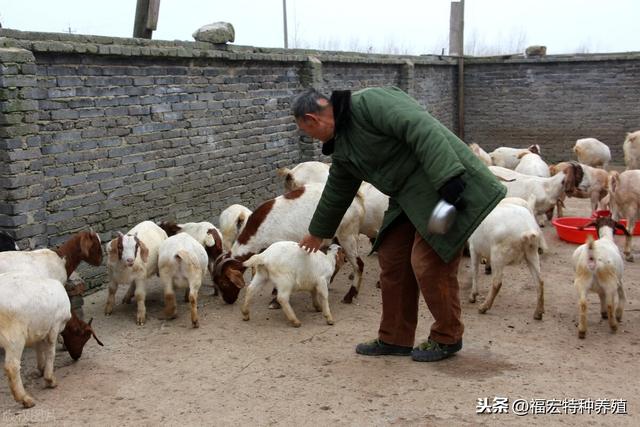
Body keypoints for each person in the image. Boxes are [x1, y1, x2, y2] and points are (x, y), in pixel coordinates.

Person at [292, 86, 506, 362]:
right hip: (407, 199)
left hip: (444, 188)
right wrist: (317, 232)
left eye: (307, 131)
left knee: (429, 262)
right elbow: (337, 190)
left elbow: (420, 126)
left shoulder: (370, 103)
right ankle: (395, 337)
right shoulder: (343, 146)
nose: (310, 137)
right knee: (392, 259)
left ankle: (447, 336)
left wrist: (448, 176)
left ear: (313, 119)